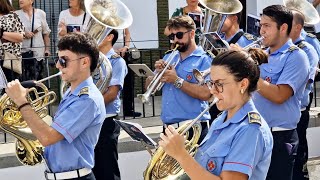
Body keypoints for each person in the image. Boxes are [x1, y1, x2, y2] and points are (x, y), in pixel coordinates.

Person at [5, 32, 106, 180]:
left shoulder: (87, 99)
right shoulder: (71, 93)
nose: (58, 65)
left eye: (64, 61)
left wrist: (22, 102)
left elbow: (48, 137)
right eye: (58, 60)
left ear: (84, 62)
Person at [159, 49, 273, 180]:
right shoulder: (221, 119)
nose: (212, 90)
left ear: (243, 84)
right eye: (211, 83)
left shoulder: (250, 129)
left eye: (219, 84)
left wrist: (180, 154)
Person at [253, 5, 310, 180]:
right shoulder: (260, 54)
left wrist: (248, 72)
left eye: (267, 26)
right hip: (255, 132)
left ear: (283, 28)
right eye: (261, 25)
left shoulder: (296, 57)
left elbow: (279, 95)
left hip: (279, 136)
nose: (262, 30)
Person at [147, 15, 212, 142]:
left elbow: (206, 93)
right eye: (172, 37)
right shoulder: (169, 57)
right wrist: (156, 76)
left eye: (179, 35)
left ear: (192, 33)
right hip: (168, 128)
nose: (175, 40)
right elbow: (149, 87)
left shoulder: (205, 59)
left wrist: (176, 80)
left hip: (193, 127)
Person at [93, 29, 128, 180]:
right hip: (91, 119)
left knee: (108, 169)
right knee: (91, 168)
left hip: (107, 119)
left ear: (109, 37)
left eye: (99, 32)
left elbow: (112, 94)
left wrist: (88, 106)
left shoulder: (116, 61)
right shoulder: (90, 59)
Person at [289, 10, 319, 180]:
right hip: (286, 110)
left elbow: (303, 82)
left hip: (298, 107)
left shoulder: (307, 48)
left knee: (298, 152)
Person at [16, 0, 51, 81]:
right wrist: (23, 34)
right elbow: (12, 33)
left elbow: (46, 33)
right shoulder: (16, 15)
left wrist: (47, 49)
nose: (20, 0)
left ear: (31, 1)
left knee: (38, 81)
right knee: (24, 82)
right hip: (23, 55)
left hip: (38, 54)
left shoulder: (41, 13)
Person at [113, 28, 141, 117]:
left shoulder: (121, 18)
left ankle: (128, 110)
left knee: (128, 82)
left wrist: (126, 47)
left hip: (123, 54)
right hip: (109, 55)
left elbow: (127, 33)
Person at [0, 0, 24, 82]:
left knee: (10, 87)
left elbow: (20, 37)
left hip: (9, 60)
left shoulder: (12, 16)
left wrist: (2, 34)